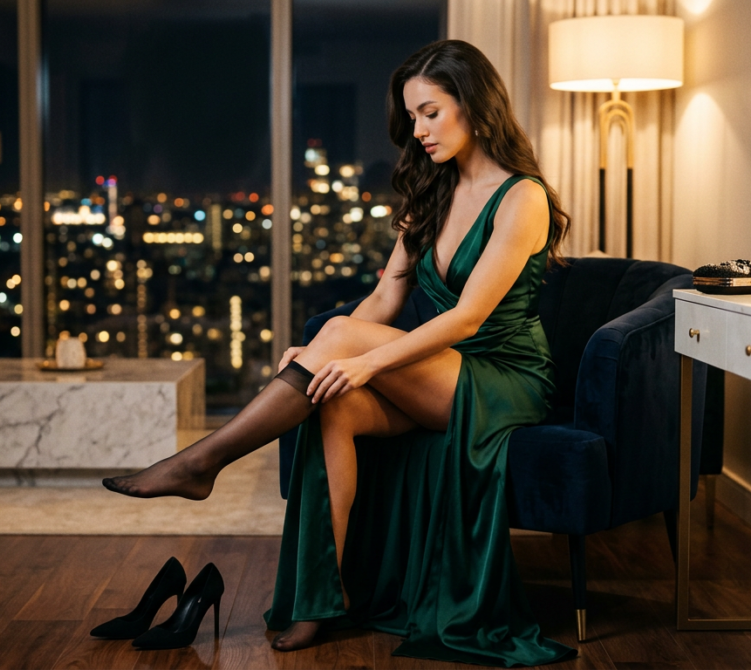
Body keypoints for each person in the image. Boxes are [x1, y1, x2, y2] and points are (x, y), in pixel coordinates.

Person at [103, 39, 577, 666]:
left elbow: (468, 317)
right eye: (411, 117)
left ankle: (201, 463)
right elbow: (383, 300)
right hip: (440, 375)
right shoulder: (431, 193)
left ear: (475, 104)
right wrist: (327, 346)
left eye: (430, 112)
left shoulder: (523, 197)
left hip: (503, 378)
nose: (418, 130)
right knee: (337, 405)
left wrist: (363, 357)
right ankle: (318, 602)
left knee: (345, 362)